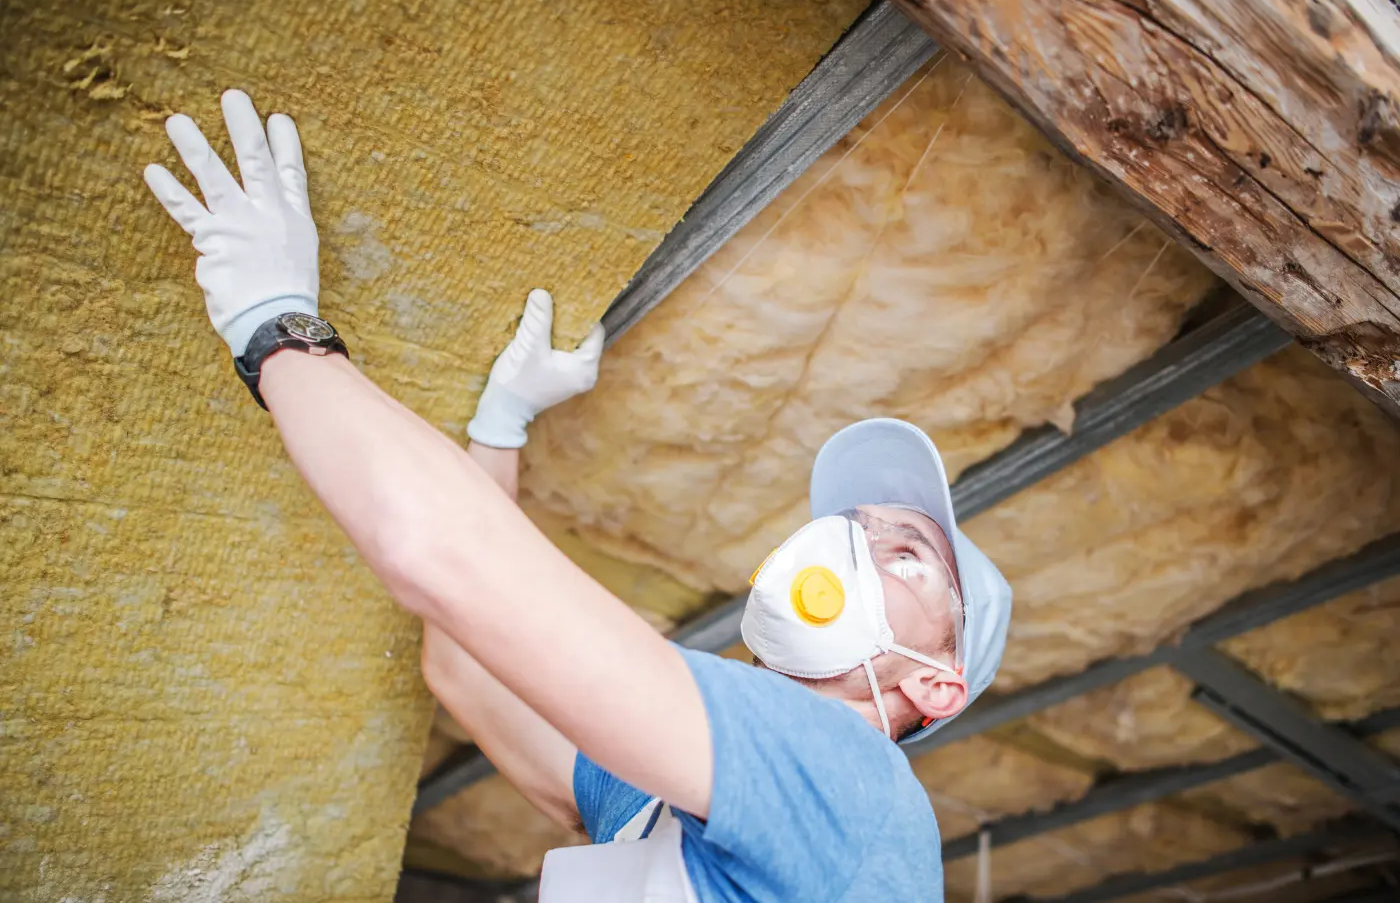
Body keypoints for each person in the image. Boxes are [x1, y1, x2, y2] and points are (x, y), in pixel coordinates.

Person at [143, 90, 1013, 903]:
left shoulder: (855, 789)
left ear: (936, 688)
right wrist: (501, 425)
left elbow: (442, 555)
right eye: (849, 529)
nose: (848, 548)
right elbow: (462, 667)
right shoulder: (666, 799)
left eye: (905, 555)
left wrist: (276, 325)